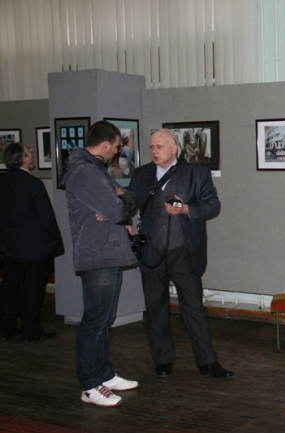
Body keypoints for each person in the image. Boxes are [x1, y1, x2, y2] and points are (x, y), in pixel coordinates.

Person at [128, 128, 233, 381]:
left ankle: (207, 362)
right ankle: (162, 360)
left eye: (160, 147)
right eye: (152, 147)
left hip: (183, 251)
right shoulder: (141, 174)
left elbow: (213, 205)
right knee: (155, 308)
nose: (154, 151)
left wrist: (186, 209)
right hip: (151, 251)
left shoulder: (197, 173)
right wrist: (121, 217)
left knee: (194, 309)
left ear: (174, 148)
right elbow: (130, 202)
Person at [63, 121, 140, 407]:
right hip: (97, 254)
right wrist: (118, 204)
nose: (118, 151)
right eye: (117, 146)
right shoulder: (85, 172)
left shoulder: (95, 170)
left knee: (104, 319)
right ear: (105, 145)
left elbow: (125, 199)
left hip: (107, 251)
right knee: (95, 321)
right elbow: (118, 211)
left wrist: (121, 200)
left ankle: (104, 375)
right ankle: (89, 385)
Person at [0, 143, 64, 342]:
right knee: (32, 290)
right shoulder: (33, 184)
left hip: (9, 245)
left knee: (10, 288)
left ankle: (6, 328)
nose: (32, 155)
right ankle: (31, 330)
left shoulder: (2, 181)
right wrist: (55, 238)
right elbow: (46, 217)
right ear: (24, 159)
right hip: (33, 246)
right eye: (29, 153)